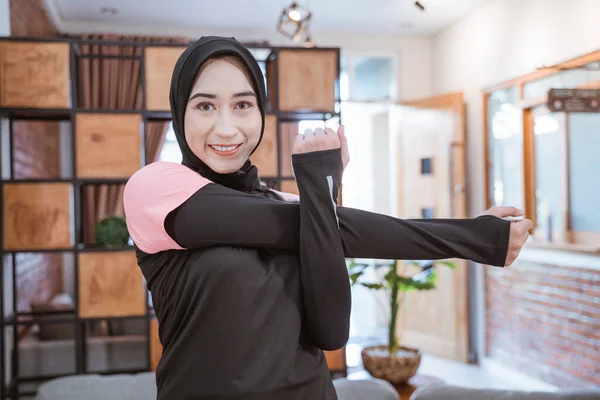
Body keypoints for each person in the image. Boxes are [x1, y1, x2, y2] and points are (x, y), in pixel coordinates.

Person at [123, 36, 532, 400]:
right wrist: (476, 237)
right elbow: (319, 226)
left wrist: (322, 192)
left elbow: (331, 332)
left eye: (243, 104)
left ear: (260, 112)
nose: (227, 127)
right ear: (180, 112)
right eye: (205, 105)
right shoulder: (154, 189)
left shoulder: (287, 204)